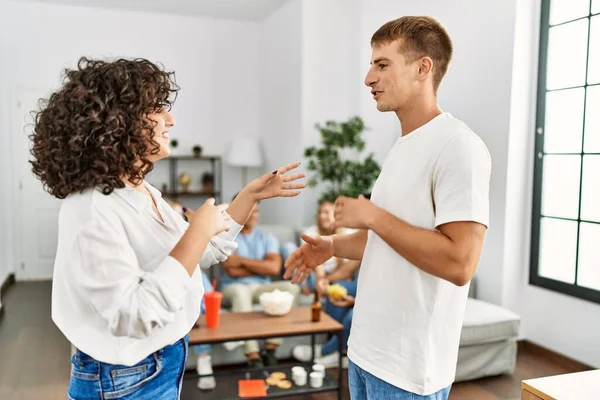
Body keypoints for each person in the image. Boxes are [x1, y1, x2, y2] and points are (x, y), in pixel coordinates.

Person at [30, 57, 306, 400]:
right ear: (117, 122)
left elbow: (201, 252)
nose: (170, 119)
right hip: (123, 379)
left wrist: (248, 195)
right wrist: (196, 231)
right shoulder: (91, 209)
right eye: (157, 108)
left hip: (160, 362)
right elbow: (135, 314)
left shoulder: (141, 191)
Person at [285, 16, 491, 400]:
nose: (368, 78)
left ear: (422, 68)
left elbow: (460, 263)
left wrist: (374, 216)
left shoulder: (459, 146)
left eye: (381, 64)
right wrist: (332, 248)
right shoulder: (403, 147)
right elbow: (390, 238)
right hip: (365, 353)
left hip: (407, 372)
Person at [219, 196, 300, 368]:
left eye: (256, 211)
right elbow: (231, 271)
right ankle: (253, 355)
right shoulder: (225, 236)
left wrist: (241, 261)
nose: (254, 215)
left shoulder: (267, 237)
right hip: (233, 288)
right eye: (250, 211)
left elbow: (273, 268)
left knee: (290, 289)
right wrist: (260, 264)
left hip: (261, 288)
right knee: (241, 293)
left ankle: (270, 348)